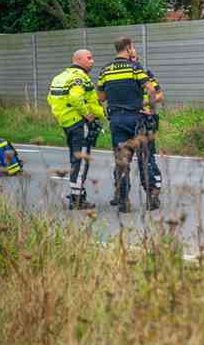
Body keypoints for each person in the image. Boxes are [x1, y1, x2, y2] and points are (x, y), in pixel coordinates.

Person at [98, 37, 159, 213]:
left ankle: (124, 201)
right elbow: (151, 89)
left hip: (116, 121)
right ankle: (150, 199)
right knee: (144, 158)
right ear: (128, 48)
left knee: (122, 161)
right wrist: (151, 110)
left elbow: (101, 97)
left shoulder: (106, 70)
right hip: (136, 119)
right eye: (133, 47)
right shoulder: (135, 68)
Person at [47, 49, 106, 210]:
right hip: (79, 123)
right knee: (81, 161)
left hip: (67, 122)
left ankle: (76, 193)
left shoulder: (60, 77)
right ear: (78, 59)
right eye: (89, 58)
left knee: (75, 159)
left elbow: (50, 98)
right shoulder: (79, 77)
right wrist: (88, 115)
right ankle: (77, 198)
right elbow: (75, 98)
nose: (92, 61)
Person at [108, 52, 164, 207]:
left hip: (144, 120)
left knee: (147, 159)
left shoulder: (145, 74)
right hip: (126, 118)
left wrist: (142, 103)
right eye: (130, 58)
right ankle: (120, 194)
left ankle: (153, 193)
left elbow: (159, 94)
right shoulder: (117, 74)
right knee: (122, 159)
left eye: (134, 59)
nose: (132, 61)